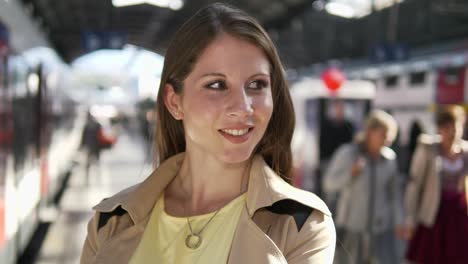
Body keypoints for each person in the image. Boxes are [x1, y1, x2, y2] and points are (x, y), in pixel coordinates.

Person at [80, 3, 335, 264]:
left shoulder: (301, 224)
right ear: (174, 102)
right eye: (217, 85)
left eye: (257, 85)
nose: (243, 108)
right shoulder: (110, 221)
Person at [323, 110, 404, 264]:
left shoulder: (390, 158)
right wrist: (350, 173)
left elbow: (395, 193)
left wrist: (399, 221)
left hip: (380, 228)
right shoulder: (348, 153)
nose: (387, 140)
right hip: (352, 227)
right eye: (383, 135)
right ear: (369, 132)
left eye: (390, 136)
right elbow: (328, 184)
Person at [404, 105, 468, 263]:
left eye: (455, 127)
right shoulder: (428, 148)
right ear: (439, 129)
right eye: (447, 127)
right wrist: (410, 218)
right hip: (433, 213)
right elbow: (415, 184)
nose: (452, 132)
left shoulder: (465, 152)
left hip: (459, 214)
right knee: (432, 256)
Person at [80, 111, 103, 184]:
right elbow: (101, 136)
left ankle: (87, 180)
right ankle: (98, 179)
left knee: (88, 165)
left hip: (89, 148)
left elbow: (83, 138)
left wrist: (82, 147)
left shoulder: (86, 125)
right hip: (96, 147)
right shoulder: (98, 125)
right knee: (97, 163)